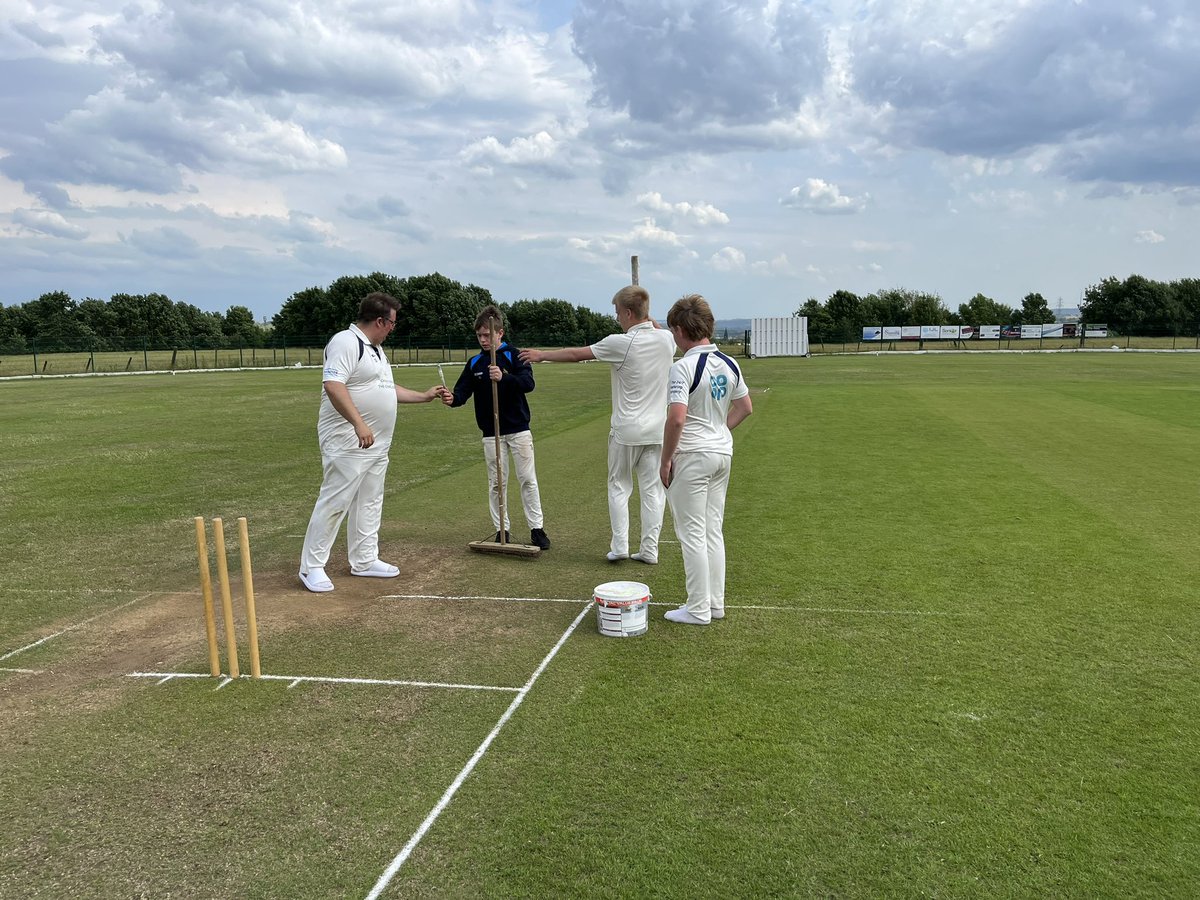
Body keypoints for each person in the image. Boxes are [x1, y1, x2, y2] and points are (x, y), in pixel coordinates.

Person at [299, 292, 448, 593]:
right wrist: (358, 423)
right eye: (393, 323)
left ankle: (365, 560)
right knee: (336, 500)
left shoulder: (376, 350)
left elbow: (384, 387)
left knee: (370, 499)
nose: (394, 328)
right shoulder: (345, 341)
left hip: (377, 444)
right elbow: (333, 384)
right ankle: (311, 567)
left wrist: (423, 396)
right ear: (380, 320)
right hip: (347, 440)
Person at [520, 285, 675, 563]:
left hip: (627, 430)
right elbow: (657, 326)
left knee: (619, 486)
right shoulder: (667, 340)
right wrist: (648, 317)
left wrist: (541, 355)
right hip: (657, 431)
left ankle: (620, 547)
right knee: (652, 490)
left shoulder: (621, 342)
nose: (617, 318)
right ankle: (649, 549)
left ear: (628, 313)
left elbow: (576, 354)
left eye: (618, 313)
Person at [658, 294, 753, 625]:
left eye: (673, 331)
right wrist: (717, 433)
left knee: (693, 533)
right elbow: (744, 408)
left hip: (694, 457)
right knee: (712, 530)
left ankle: (698, 608)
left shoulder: (682, 368)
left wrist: (666, 460)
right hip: (721, 454)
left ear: (682, 330)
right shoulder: (730, 364)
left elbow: (677, 420)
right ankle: (715, 604)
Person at [444, 305, 551, 549]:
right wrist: (452, 399)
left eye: (487, 335)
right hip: (491, 433)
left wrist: (504, 377)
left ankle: (537, 529)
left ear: (499, 333)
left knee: (527, 479)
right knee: (496, 482)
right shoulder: (474, 363)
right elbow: (462, 392)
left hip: (518, 429)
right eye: (479, 336)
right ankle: (501, 529)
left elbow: (528, 383)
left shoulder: (514, 355)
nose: (483, 340)